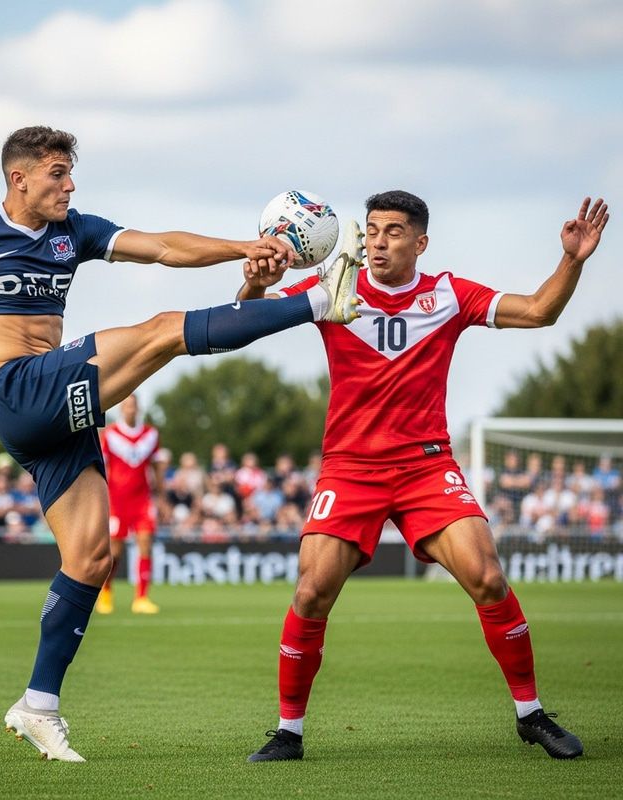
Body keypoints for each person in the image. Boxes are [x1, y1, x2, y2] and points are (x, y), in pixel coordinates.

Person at [0, 125, 360, 763]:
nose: (69, 185)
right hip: (20, 392)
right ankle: (322, 301)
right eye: (57, 173)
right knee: (162, 331)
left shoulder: (73, 231)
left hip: (58, 413)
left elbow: (162, 246)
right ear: (18, 178)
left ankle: (38, 706)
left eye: (70, 174)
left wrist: (245, 247)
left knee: (90, 557)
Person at [238, 191, 609, 762]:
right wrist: (259, 284)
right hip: (351, 467)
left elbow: (539, 311)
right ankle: (289, 732)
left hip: (426, 466)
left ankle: (531, 716)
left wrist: (573, 260)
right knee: (311, 592)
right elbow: (247, 320)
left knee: (487, 576)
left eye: (392, 231)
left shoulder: (448, 294)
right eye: (373, 230)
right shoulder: (334, 287)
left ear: (420, 242)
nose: (378, 241)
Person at [97, 393, 167, 614]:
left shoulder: (151, 435)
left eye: (133, 405)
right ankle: (106, 590)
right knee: (115, 551)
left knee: (145, 544)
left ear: (138, 408)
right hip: (117, 501)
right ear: (121, 409)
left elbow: (156, 468)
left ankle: (142, 598)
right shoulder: (109, 435)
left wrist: (163, 498)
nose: (130, 409)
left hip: (142, 500)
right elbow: (101, 468)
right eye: (126, 405)